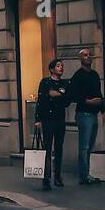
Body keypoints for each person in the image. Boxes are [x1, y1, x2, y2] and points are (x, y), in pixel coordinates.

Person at [66, 47, 104, 185]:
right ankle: (84, 175)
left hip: (93, 114)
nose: (89, 57)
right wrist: (87, 101)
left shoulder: (94, 74)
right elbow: (72, 94)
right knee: (84, 146)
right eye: (85, 55)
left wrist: (103, 110)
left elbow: (99, 93)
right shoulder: (78, 76)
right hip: (84, 114)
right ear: (80, 59)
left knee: (90, 145)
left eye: (89, 55)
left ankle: (86, 173)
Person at [34, 58, 70, 191]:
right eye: (58, 66)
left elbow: (67, 100)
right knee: (47, 148)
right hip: (47, 119)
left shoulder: (65, 83)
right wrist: (37, 119)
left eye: (62, 66)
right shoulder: (45, 82)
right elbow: (42, 100)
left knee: (59, 148)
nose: (61, 68)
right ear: (52, 69)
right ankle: (46, 178)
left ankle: (58, 176)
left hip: (60, 118)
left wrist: (57, 94)